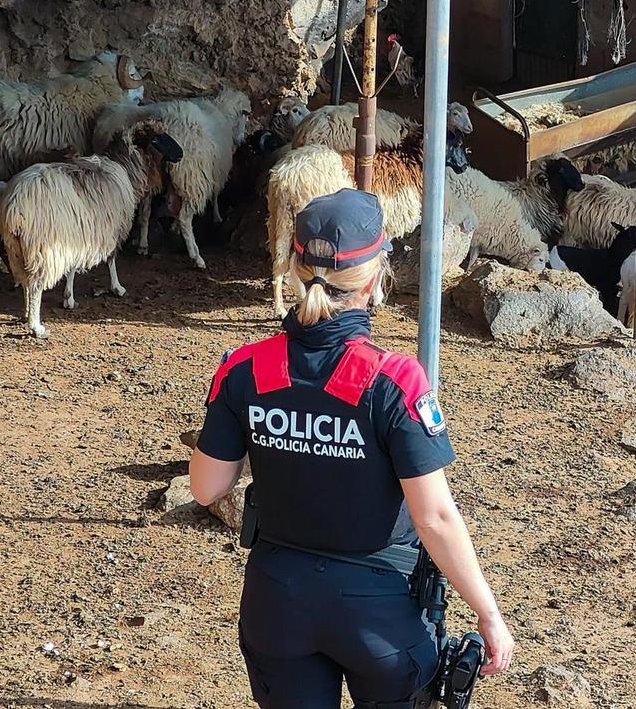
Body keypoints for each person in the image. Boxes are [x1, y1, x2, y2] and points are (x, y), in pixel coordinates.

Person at [189, 188, 514, 709]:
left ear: (295, 266)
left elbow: (206, 487)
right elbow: (434, 518)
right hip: (380, 613)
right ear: (375, 275)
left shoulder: (244, 369)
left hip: (277, 601)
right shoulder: (395, 381)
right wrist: (488, 613)